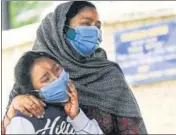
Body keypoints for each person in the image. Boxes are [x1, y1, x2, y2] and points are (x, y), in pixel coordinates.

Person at [3, 1, 147, 134]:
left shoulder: (109, 75)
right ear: (62, 30)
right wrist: (12, 111)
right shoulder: (29, 79)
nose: (94, 31)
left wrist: (78, 117)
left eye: (97, 26)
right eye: (86, 24)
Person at [5, 51, 103, 134]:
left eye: (57, 69)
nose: (57, 78)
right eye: (46, 79)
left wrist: (76, 117)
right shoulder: (24, 120)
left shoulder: (77, 104)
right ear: (33, 91)